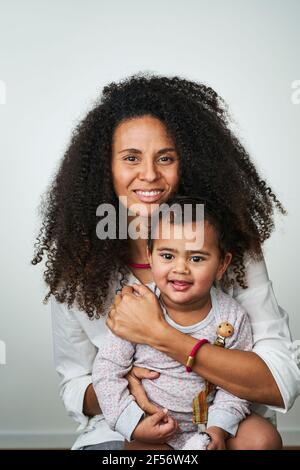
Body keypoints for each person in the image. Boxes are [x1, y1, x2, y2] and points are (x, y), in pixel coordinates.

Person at [32, 72, 299, 450]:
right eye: (130, 158)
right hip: (130, 425)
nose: (149, 175)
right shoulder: (79, 267)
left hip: (224, 420)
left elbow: (278, 380)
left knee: (259, 441)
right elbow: (75, 385)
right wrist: (124, 390)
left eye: (166, 158)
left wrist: (161, 335)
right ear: (104, 169)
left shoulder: (232, 246)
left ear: (187, 164)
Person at [93, 196, 255, 450]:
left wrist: (218, 429)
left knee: (262, 437)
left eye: (197, 258)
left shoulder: (232, 316)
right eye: (167, 255)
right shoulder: (135, 306)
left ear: (222, 265)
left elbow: (236, 385)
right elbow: (107, 370)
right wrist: (132, 423)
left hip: (211, 422)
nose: (180, 268)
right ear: (150, 255)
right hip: (153, 424)